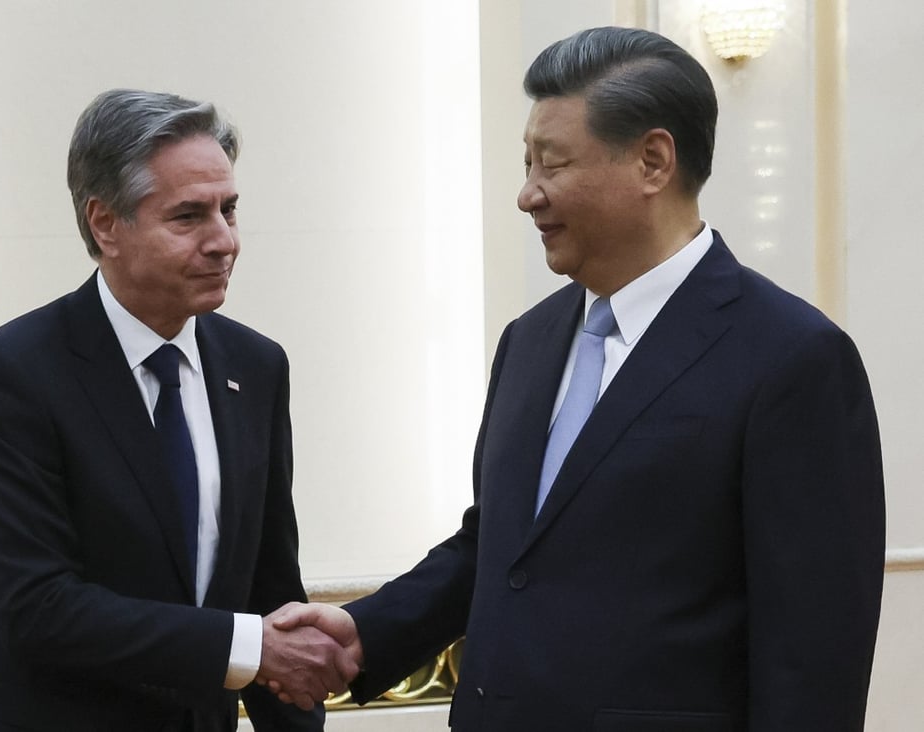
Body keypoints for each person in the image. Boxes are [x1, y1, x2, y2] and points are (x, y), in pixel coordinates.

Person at [266, 26, 886, 731]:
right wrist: (368, 629)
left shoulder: (793, 358)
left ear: (653, 161)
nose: (527, 195)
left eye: (551, 165)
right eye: (526, 163)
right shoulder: (528, 342)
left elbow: (813, 657)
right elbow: (501, 544)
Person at [0, 89, 355, 732]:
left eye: (229, 210)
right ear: (104, 224)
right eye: (188, 217)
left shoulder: (256, 367)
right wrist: (249, 648)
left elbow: (269, 590)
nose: (223, 241)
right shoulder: (13, 372)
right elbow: (38, 605)